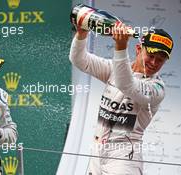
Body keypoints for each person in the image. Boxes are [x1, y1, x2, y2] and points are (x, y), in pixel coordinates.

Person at [70, 23, 173, 175]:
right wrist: (81, 34)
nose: (153, 63)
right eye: (150, 56)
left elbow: (127, 85)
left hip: (124, 158)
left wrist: (120, 47)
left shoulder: (157, 88)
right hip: (97, 152)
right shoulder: (115, 69)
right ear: (138, 49)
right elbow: (79, 60)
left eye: (160, 60)